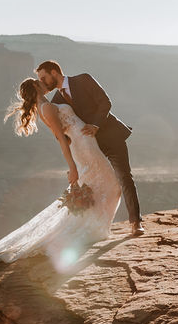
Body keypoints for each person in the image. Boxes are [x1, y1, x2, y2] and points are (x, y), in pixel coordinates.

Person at [0, 76, 124, 271]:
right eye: (39, 80)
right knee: (113, 186)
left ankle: (92, 227)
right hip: (84, 148)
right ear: (35, 86)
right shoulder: (47, 108)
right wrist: (72, 167)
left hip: (86, 144)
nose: (43, 82)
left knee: (104, 186)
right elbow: (60, 139)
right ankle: (90, 229)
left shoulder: (47, 105)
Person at [35, 60, 145, 237]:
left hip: (111, 137)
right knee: (94, 184)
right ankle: (94, 225)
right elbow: (60, 132)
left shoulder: (83, 79)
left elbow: (105, 103)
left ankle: (135, 222)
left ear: (54, 72)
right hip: (88, 149)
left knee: (124, 176)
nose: (42, 82)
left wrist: (95, 125)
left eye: (43, 77)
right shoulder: (55, 101)